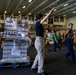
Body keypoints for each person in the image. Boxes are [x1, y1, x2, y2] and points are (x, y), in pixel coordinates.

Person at [31, 7, 55, 75]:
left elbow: (41, 30)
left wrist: (46, 28)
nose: (44, 18)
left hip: (39, 40)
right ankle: (40, 70)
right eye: (43, 17)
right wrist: (50, 11)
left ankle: (34, 66)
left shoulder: (39, 24)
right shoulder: (38, 23)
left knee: (39, 54)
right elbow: (46, 18)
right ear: (41, 18)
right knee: (41, 55)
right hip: (39, 40)